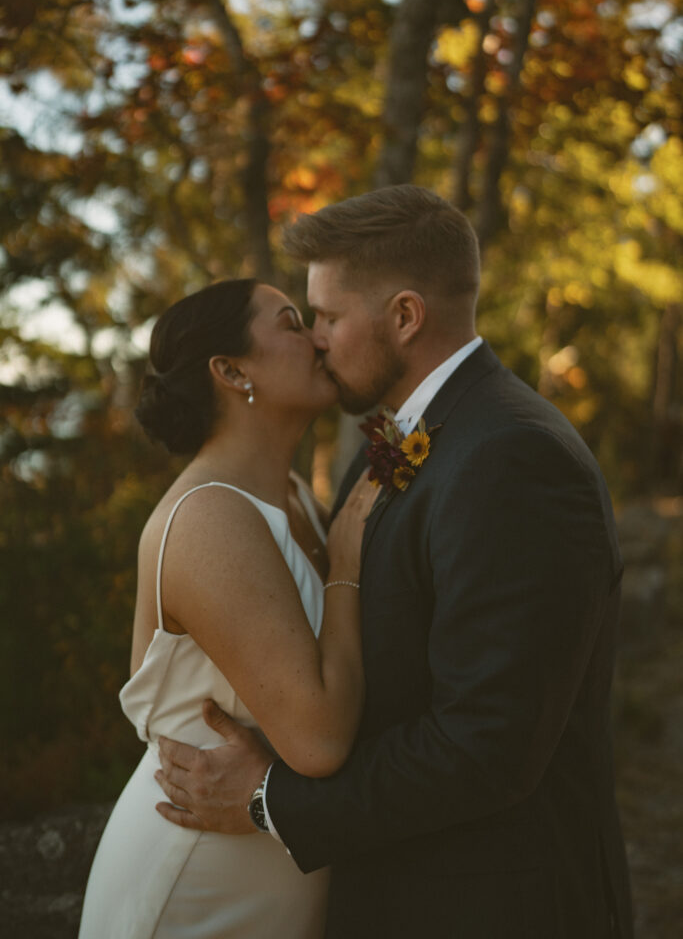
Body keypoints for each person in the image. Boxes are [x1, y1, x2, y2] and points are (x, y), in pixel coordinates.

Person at [155, 185, 634, 939]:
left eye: (330, 317)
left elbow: (487, 747)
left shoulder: (514, 455)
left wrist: (267, 799)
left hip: (491, 909)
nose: (315, 338)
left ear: (406, 316)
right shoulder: (394, 447)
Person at [78, 277, 376, 939]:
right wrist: (349, 567)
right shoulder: (207, 517)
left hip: (275, 869)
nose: (318, 338)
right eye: (292, 322)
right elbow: (320, 739)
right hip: (195, 881)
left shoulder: (294, 495)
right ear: (231, 370)